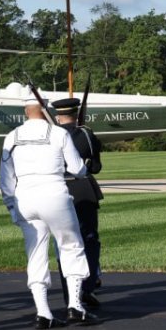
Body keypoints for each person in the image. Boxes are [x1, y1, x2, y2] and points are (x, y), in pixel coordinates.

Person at [0, 95, 100, 327]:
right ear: (44, 109)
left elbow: (6, 180)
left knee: (35, 254)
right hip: (53, 193)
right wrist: (84, 168)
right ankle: (75, 305)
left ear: (26, 112)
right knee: (71, 246)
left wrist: (11, 207)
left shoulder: (11, 137)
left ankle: (43, 312)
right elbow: (76, 168)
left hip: (24, 197)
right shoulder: (59, 133)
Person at [51, 97, 104, 308]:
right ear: (76, 114)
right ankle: (88, 287)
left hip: (58, 191)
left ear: (58, 116)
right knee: (88, 240)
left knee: (64, 245)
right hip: (82, 190)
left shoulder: (52, 134)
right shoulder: (85, 134)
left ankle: (69, 294)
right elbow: (96, 166)